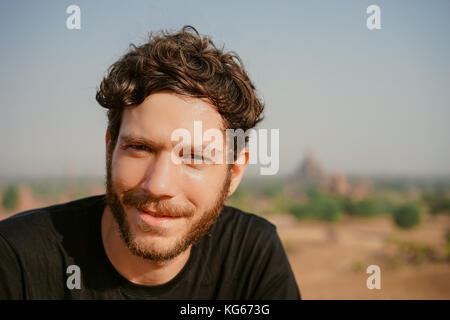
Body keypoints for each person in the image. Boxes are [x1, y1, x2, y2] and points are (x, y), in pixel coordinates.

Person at [0, 26, 300, 299]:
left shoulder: (250, 255)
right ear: (110, 149)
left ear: (233, 173)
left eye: (193, 157)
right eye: (140, 148)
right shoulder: (16, 261)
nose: (158, 185)